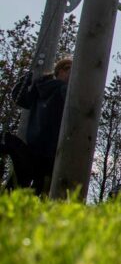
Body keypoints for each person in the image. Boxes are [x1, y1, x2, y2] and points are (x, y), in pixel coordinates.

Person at [8, 57, 71, 195]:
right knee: (40, 187)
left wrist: (24, 82)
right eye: (68, 69)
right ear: (60, 71)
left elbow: (21, 98)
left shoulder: (41, 86)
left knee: (22, 181)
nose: (71, 74)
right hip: (52, 150)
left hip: (34, 145)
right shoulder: (64, 90)